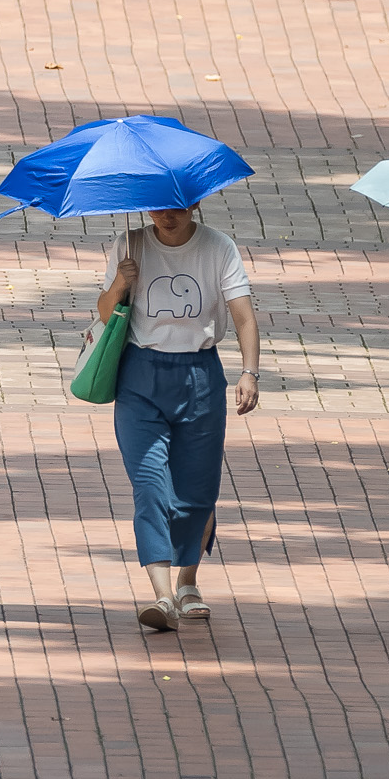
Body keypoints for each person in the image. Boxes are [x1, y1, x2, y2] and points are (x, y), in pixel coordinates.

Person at [95, 204, 261, 632]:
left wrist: (249, 372)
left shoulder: (217, 247)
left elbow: (243, 314)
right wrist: (119, 283)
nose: (166, 215)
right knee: (150, 485)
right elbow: (104, 312)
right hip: (140, 375)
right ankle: (162, 593)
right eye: (157, 207)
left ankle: (188, 583)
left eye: (177, 207)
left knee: (196, 491)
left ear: (194, 204)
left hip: (199, 374)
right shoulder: (129, 243)